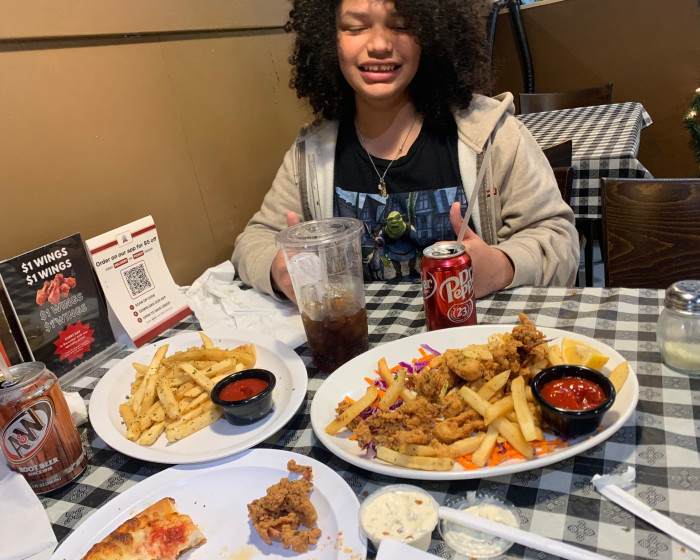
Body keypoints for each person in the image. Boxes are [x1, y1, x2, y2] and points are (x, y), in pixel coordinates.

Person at [232, 0, 579, 303]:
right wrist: (279, 268)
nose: (380, 44)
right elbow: (254, 241)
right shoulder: (310, 153)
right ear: (329, 40)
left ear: (431, 35)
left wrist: (503, 266)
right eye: (356, 27)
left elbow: (559, 239)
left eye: (401, 26)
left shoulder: (492, 134)